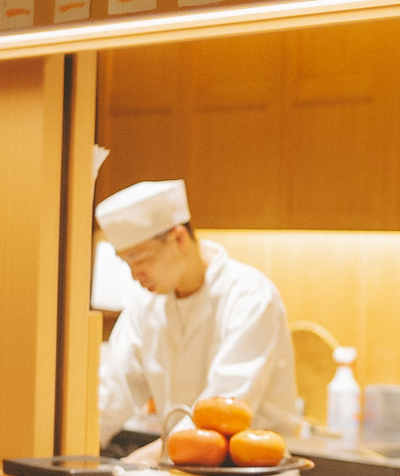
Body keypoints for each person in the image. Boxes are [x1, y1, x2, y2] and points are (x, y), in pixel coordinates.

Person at [95, 179, 300, 460]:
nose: (134, 274)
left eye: (140, 259)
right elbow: (113, 392)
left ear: (179, 239)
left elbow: (223, 414)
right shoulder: (145, 304)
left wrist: (141, 461)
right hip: (179, 472)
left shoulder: (250, 296)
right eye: (126, 262)